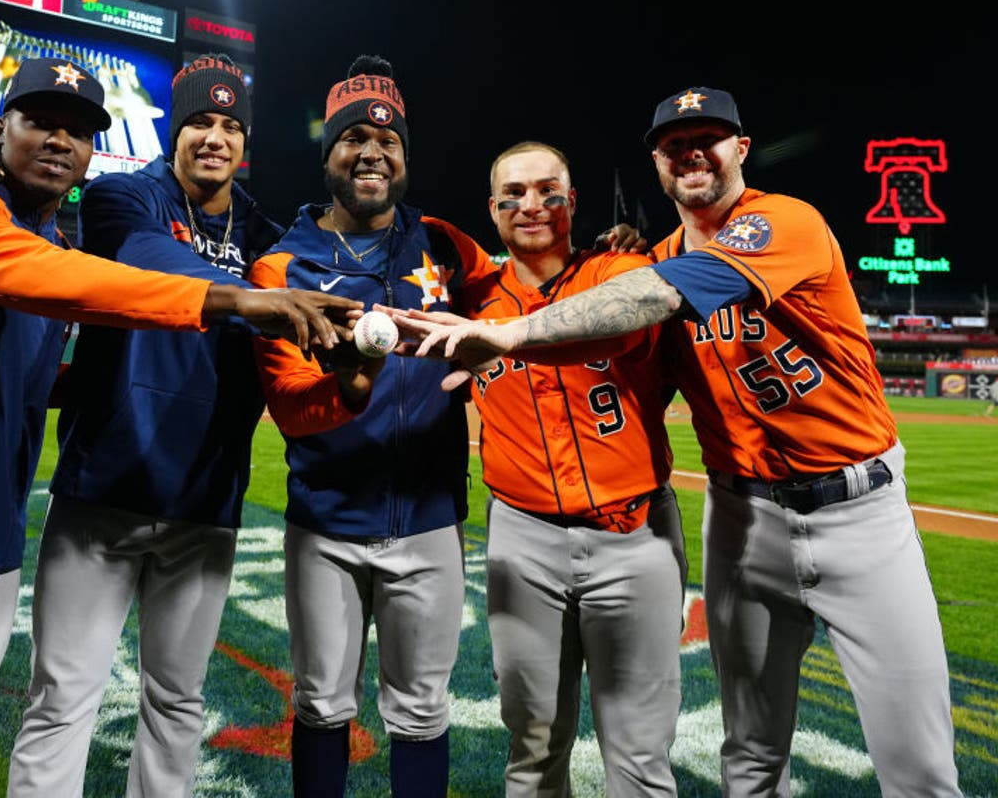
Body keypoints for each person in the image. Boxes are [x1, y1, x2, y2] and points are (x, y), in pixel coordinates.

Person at [0, 57, 360, 798]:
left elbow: (59, 370)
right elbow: (66, 281)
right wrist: (238, 302)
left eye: (79, 131)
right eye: (42, 122)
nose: (60, 140)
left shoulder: (57, 245)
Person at [392, 86, 962, 797]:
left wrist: (507, 337)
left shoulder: (782, 222)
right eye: (674, 144)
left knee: (919, 767)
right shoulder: (644, 259)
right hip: (742, 519)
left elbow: (666, 295)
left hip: (860, 512)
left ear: (741, 150)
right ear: (658, 164)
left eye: (710, 137)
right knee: (749, 757)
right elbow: (617, 361)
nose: (692, 153)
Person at [7, 53, 292, 797]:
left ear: (245, 143)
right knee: (63, 696)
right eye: (202, 120)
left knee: (176, 702)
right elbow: (145, 257)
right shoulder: (118, 198)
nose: (216, 138)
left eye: (231, 126)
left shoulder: (265, 230)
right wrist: (254, 297)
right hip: (104, 487)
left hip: (205, 498)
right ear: (177, 129)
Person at [248, 54, 500, 798]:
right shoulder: (281, 267)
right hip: (326, 522)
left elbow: (516, 296)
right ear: (327, 154)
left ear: (405, 156)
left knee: (421, 713)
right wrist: (351, 389)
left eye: (388, 141)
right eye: (353, 137)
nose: (372, 152)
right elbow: (291, 407)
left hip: (428, 521)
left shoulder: (447, 245)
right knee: (323, 704)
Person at [464, 141, 686, 796]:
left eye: (548, 190)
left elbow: (653, 312)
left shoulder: (622, 271)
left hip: (635, 534)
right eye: (514, 193)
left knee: (641, 757)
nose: (531, 204)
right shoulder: (472, 294)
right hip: (522, 538)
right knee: (531, 748)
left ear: (573, 202)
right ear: (493, 209)